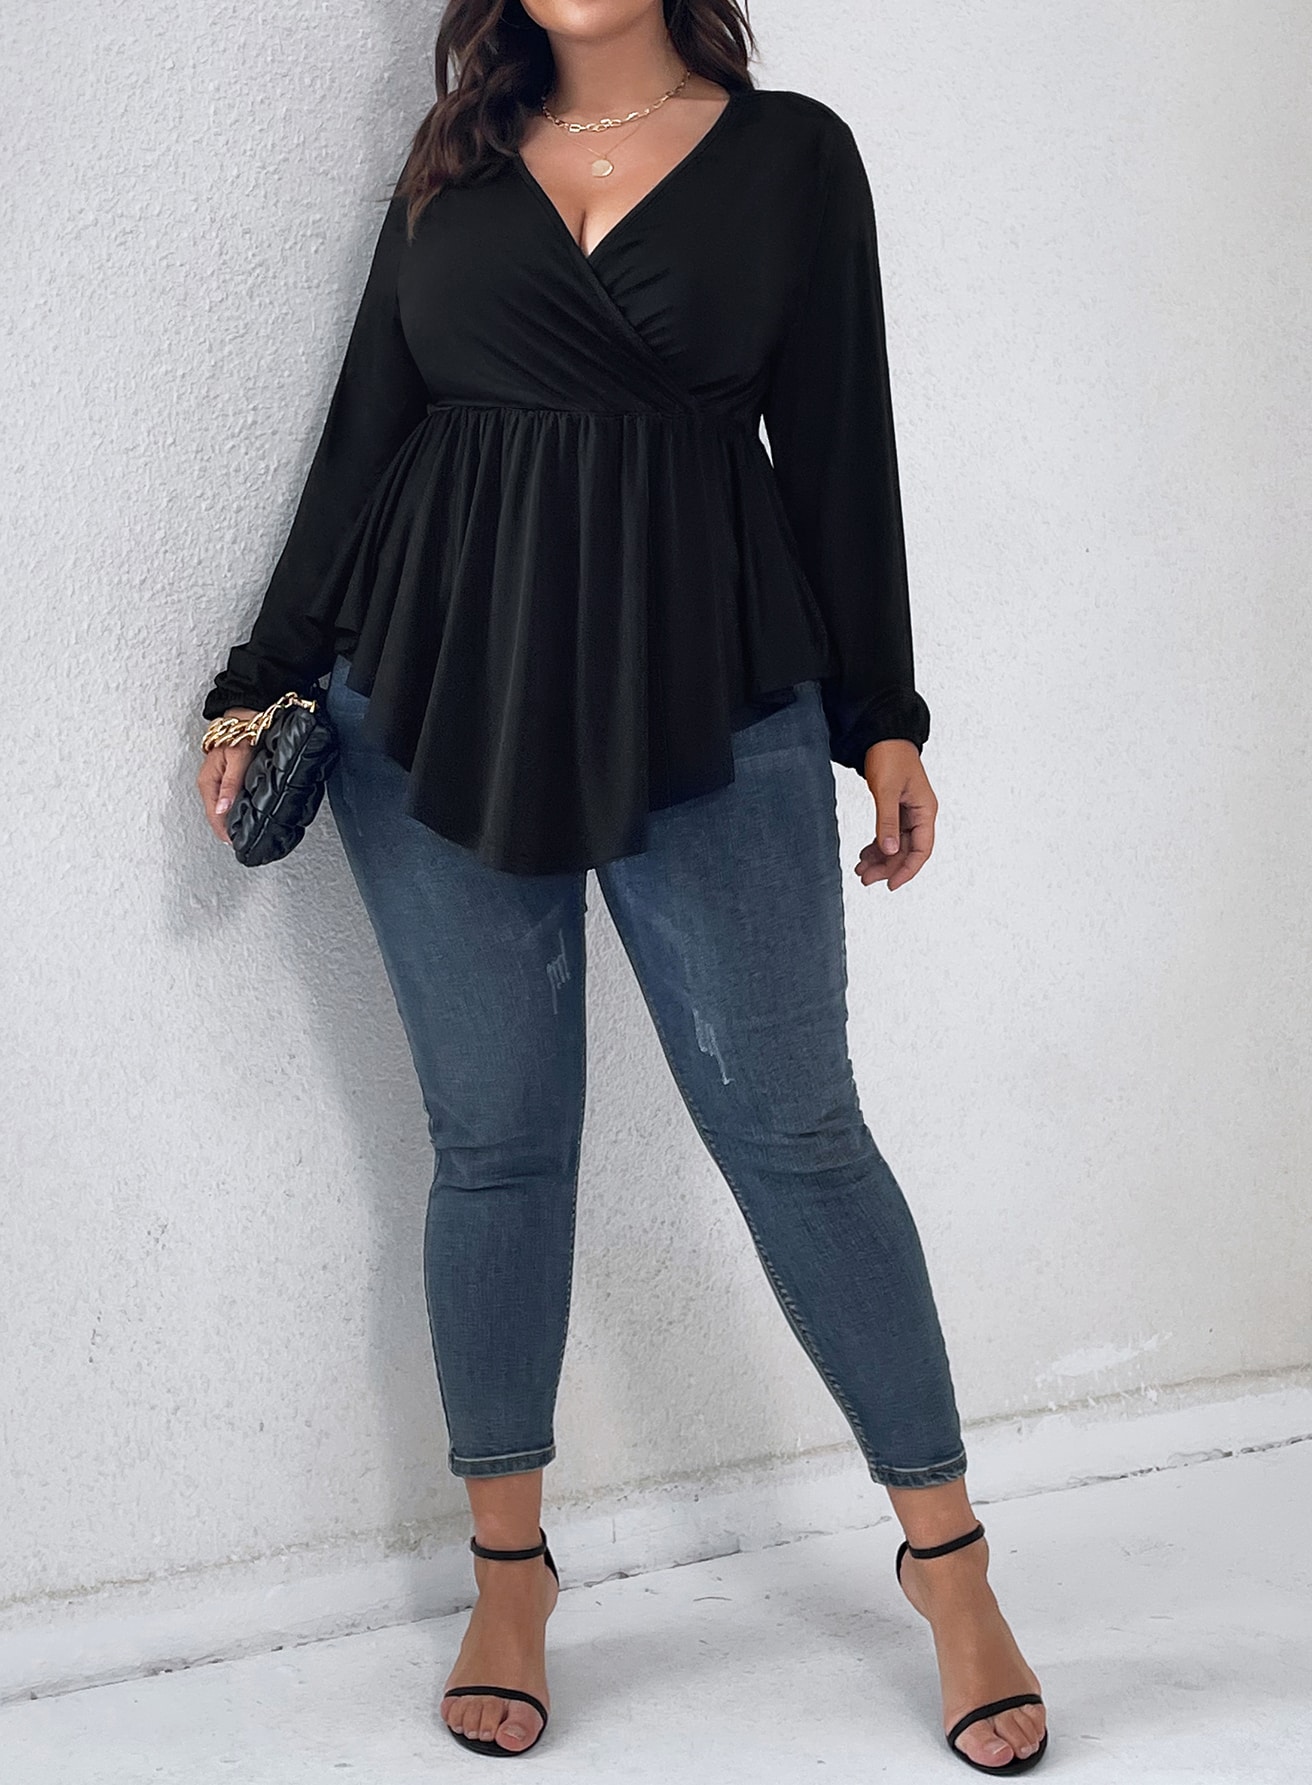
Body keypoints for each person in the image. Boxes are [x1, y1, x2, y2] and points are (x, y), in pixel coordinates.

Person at [195, 1, 1048, 1772]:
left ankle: (951, 1563)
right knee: (496, 1144)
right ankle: (509, 1578)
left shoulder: (793, 155)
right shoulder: (452, 163)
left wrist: (884, 717)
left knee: (799, 1132)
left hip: (711, 680)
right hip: (433, 687)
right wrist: (258, 676)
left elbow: (840, 447)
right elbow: (366, 429)